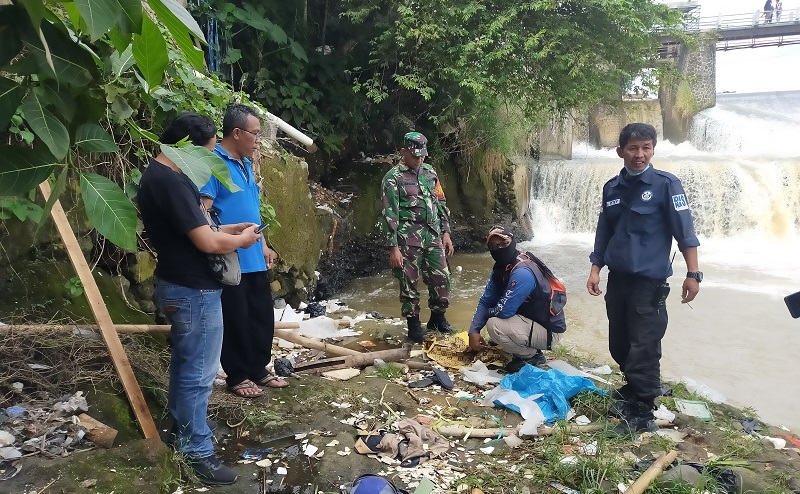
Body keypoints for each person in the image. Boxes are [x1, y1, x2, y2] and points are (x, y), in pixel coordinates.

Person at [138, 112, 262, 485]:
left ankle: (182, 431)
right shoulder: (171, 183)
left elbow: (199, 229)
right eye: (207, 153)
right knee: (199, 374)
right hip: (192, 290)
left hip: (182, 284)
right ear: (187, 148)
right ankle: (197, 453)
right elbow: (206, 242)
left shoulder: (162, 177)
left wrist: (229, 228)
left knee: (185, 366)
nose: (209, 162)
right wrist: (240, 241)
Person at [586, 123, 701, 435]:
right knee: (619, 342)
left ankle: (643, 408)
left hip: (648, 284)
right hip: (617, 280)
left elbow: (685, 233)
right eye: (634, 148)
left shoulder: (667, 185)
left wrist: (693, 274)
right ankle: (633, 388)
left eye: (646, 148)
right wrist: (595, 268)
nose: (640, 154)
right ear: (620, 151)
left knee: (644, 345)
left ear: (653, 150)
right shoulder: (612, 188)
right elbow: (603, 233)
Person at [200, 104, 288, 398]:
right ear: (236, 133)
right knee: (235, 318)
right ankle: (237, 375)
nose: (258, 140)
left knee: (261, 315)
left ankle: (259, 369)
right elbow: (204, 212)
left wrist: (263, 243)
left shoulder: (247, 163)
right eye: (254, 134)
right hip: (230, 256)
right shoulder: (214, 163)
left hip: (253, 255)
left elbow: (252, 208)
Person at [380, 131, 455, 343]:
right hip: (407, 240)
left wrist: (446, 232)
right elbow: (389, 214)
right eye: (415, 156)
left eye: (422, 156)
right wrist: (393, 247)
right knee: (408, 283)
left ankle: (437, 320)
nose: (419, 160)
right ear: (404, 152)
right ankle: (414, 326)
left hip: (432, 236)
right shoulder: (392, 178)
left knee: (442, 278)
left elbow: (441, 203)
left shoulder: (430, 173)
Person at [466, 227, 567, 373]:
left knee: (494, 325)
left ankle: (532, 356)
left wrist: (486, 315)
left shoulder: (522, 272)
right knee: (494, 319)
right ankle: (521, 343)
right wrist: (473, 331)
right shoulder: (501, 269)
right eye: (494, 246)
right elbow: (485, 301)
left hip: (550, 332)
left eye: (504, 243)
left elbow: (504, 311)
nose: (499, 248)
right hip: (532, 322)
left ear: (513, 242)